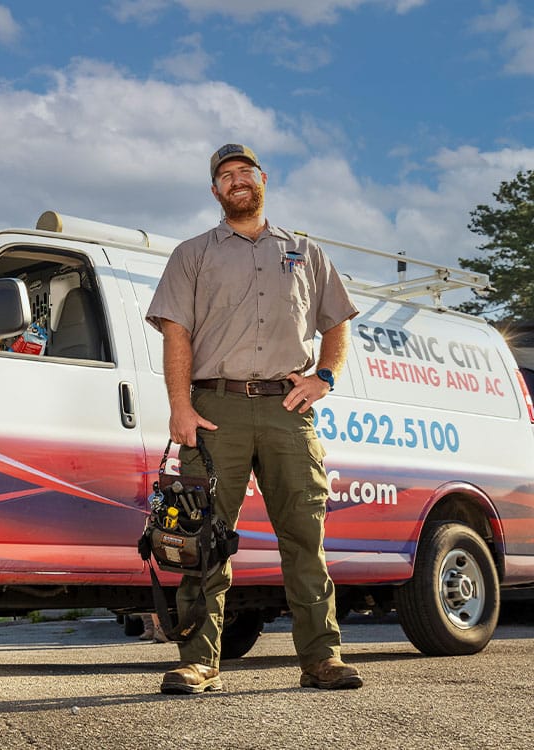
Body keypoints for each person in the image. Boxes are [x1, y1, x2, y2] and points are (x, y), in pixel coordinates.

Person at [145, 143, 363, 694]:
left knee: (303, 535)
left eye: (245, 172)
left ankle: (321, 658)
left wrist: (325, 379)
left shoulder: (306, 252)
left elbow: (337, 323)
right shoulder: (191, 254)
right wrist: (180, 405)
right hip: (215, 409)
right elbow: (178, 333)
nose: (236, 180)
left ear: (263, 179)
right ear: (215, 191)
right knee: (201, 536)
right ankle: (199, 662)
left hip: (288, 410)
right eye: (225, 175)